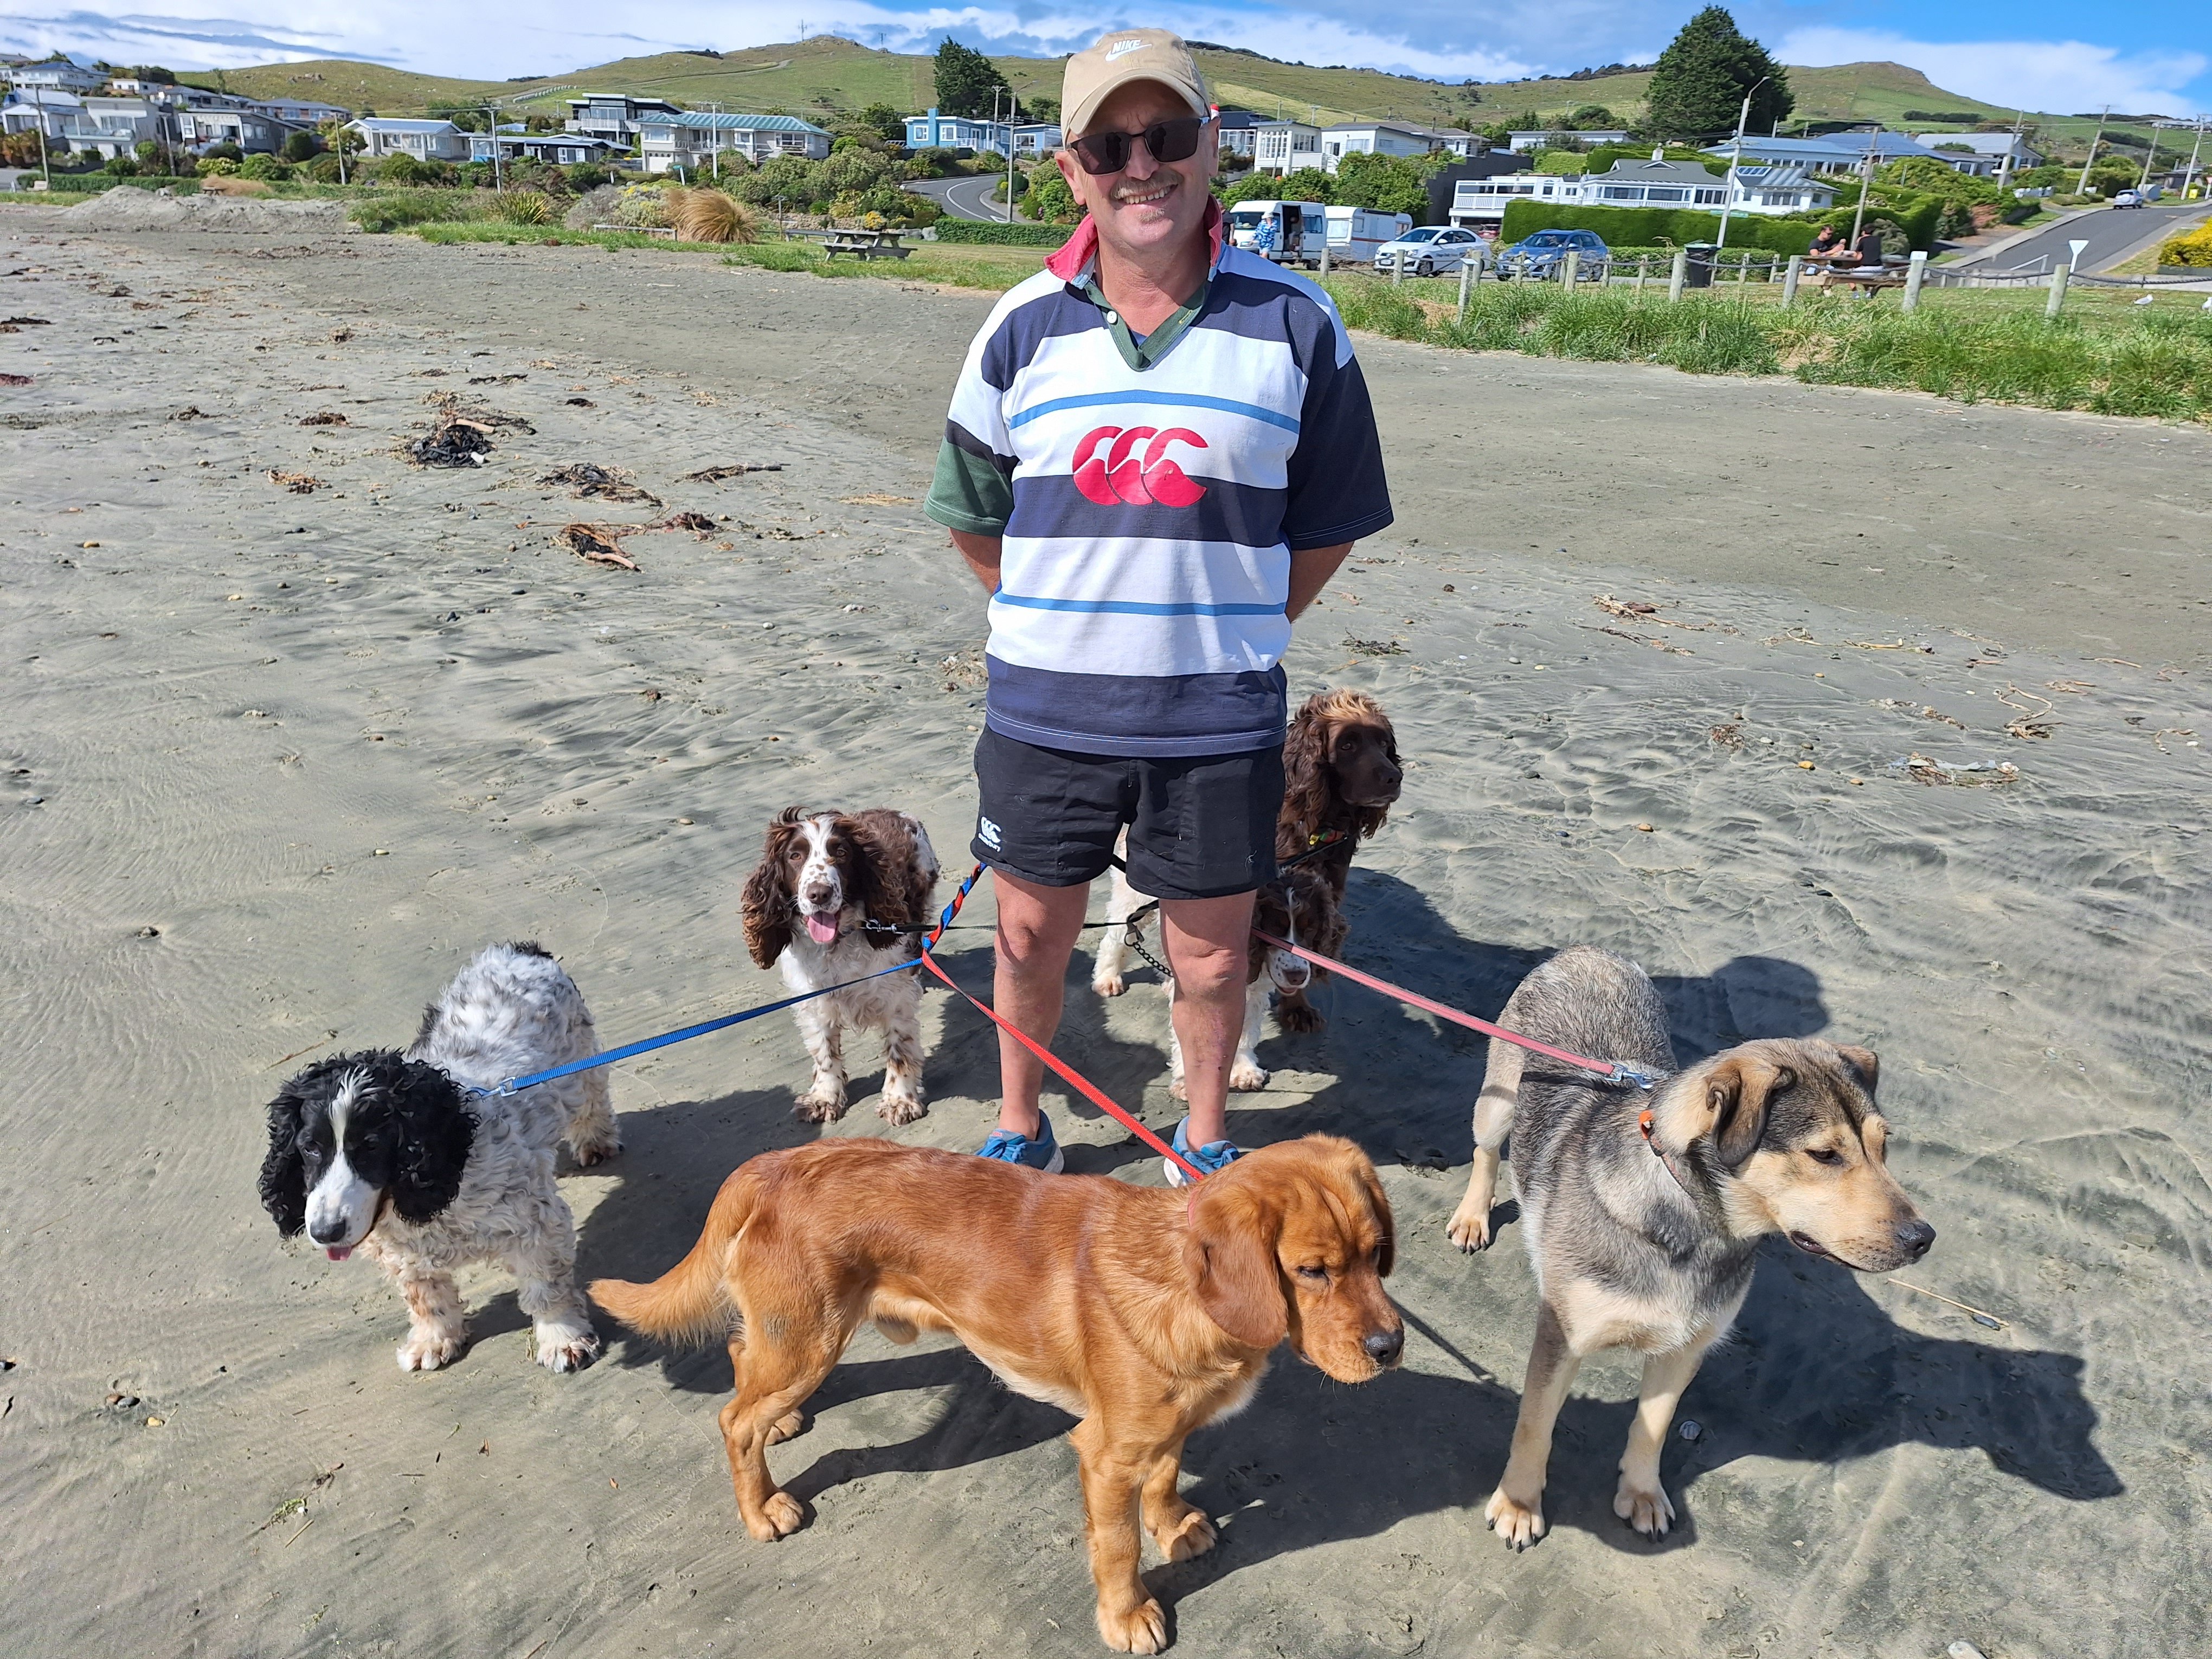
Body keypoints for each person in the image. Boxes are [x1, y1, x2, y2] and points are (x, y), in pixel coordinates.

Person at [924, 28, 1393, 1184]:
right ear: (1072, 166)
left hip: (1216, 721)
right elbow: (974, 512)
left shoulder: (1298, 324)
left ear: (1211, 146)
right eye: (1110, 143)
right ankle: (1024, 1121)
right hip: (1044, 712)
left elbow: (1328, 522)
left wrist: (1226, 627)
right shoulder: (1018, 324)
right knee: (1031, 934)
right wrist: (1063, 619)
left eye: (1167, 135)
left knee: (1212, 957)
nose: (1143, 164)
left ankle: (1204, 1140)